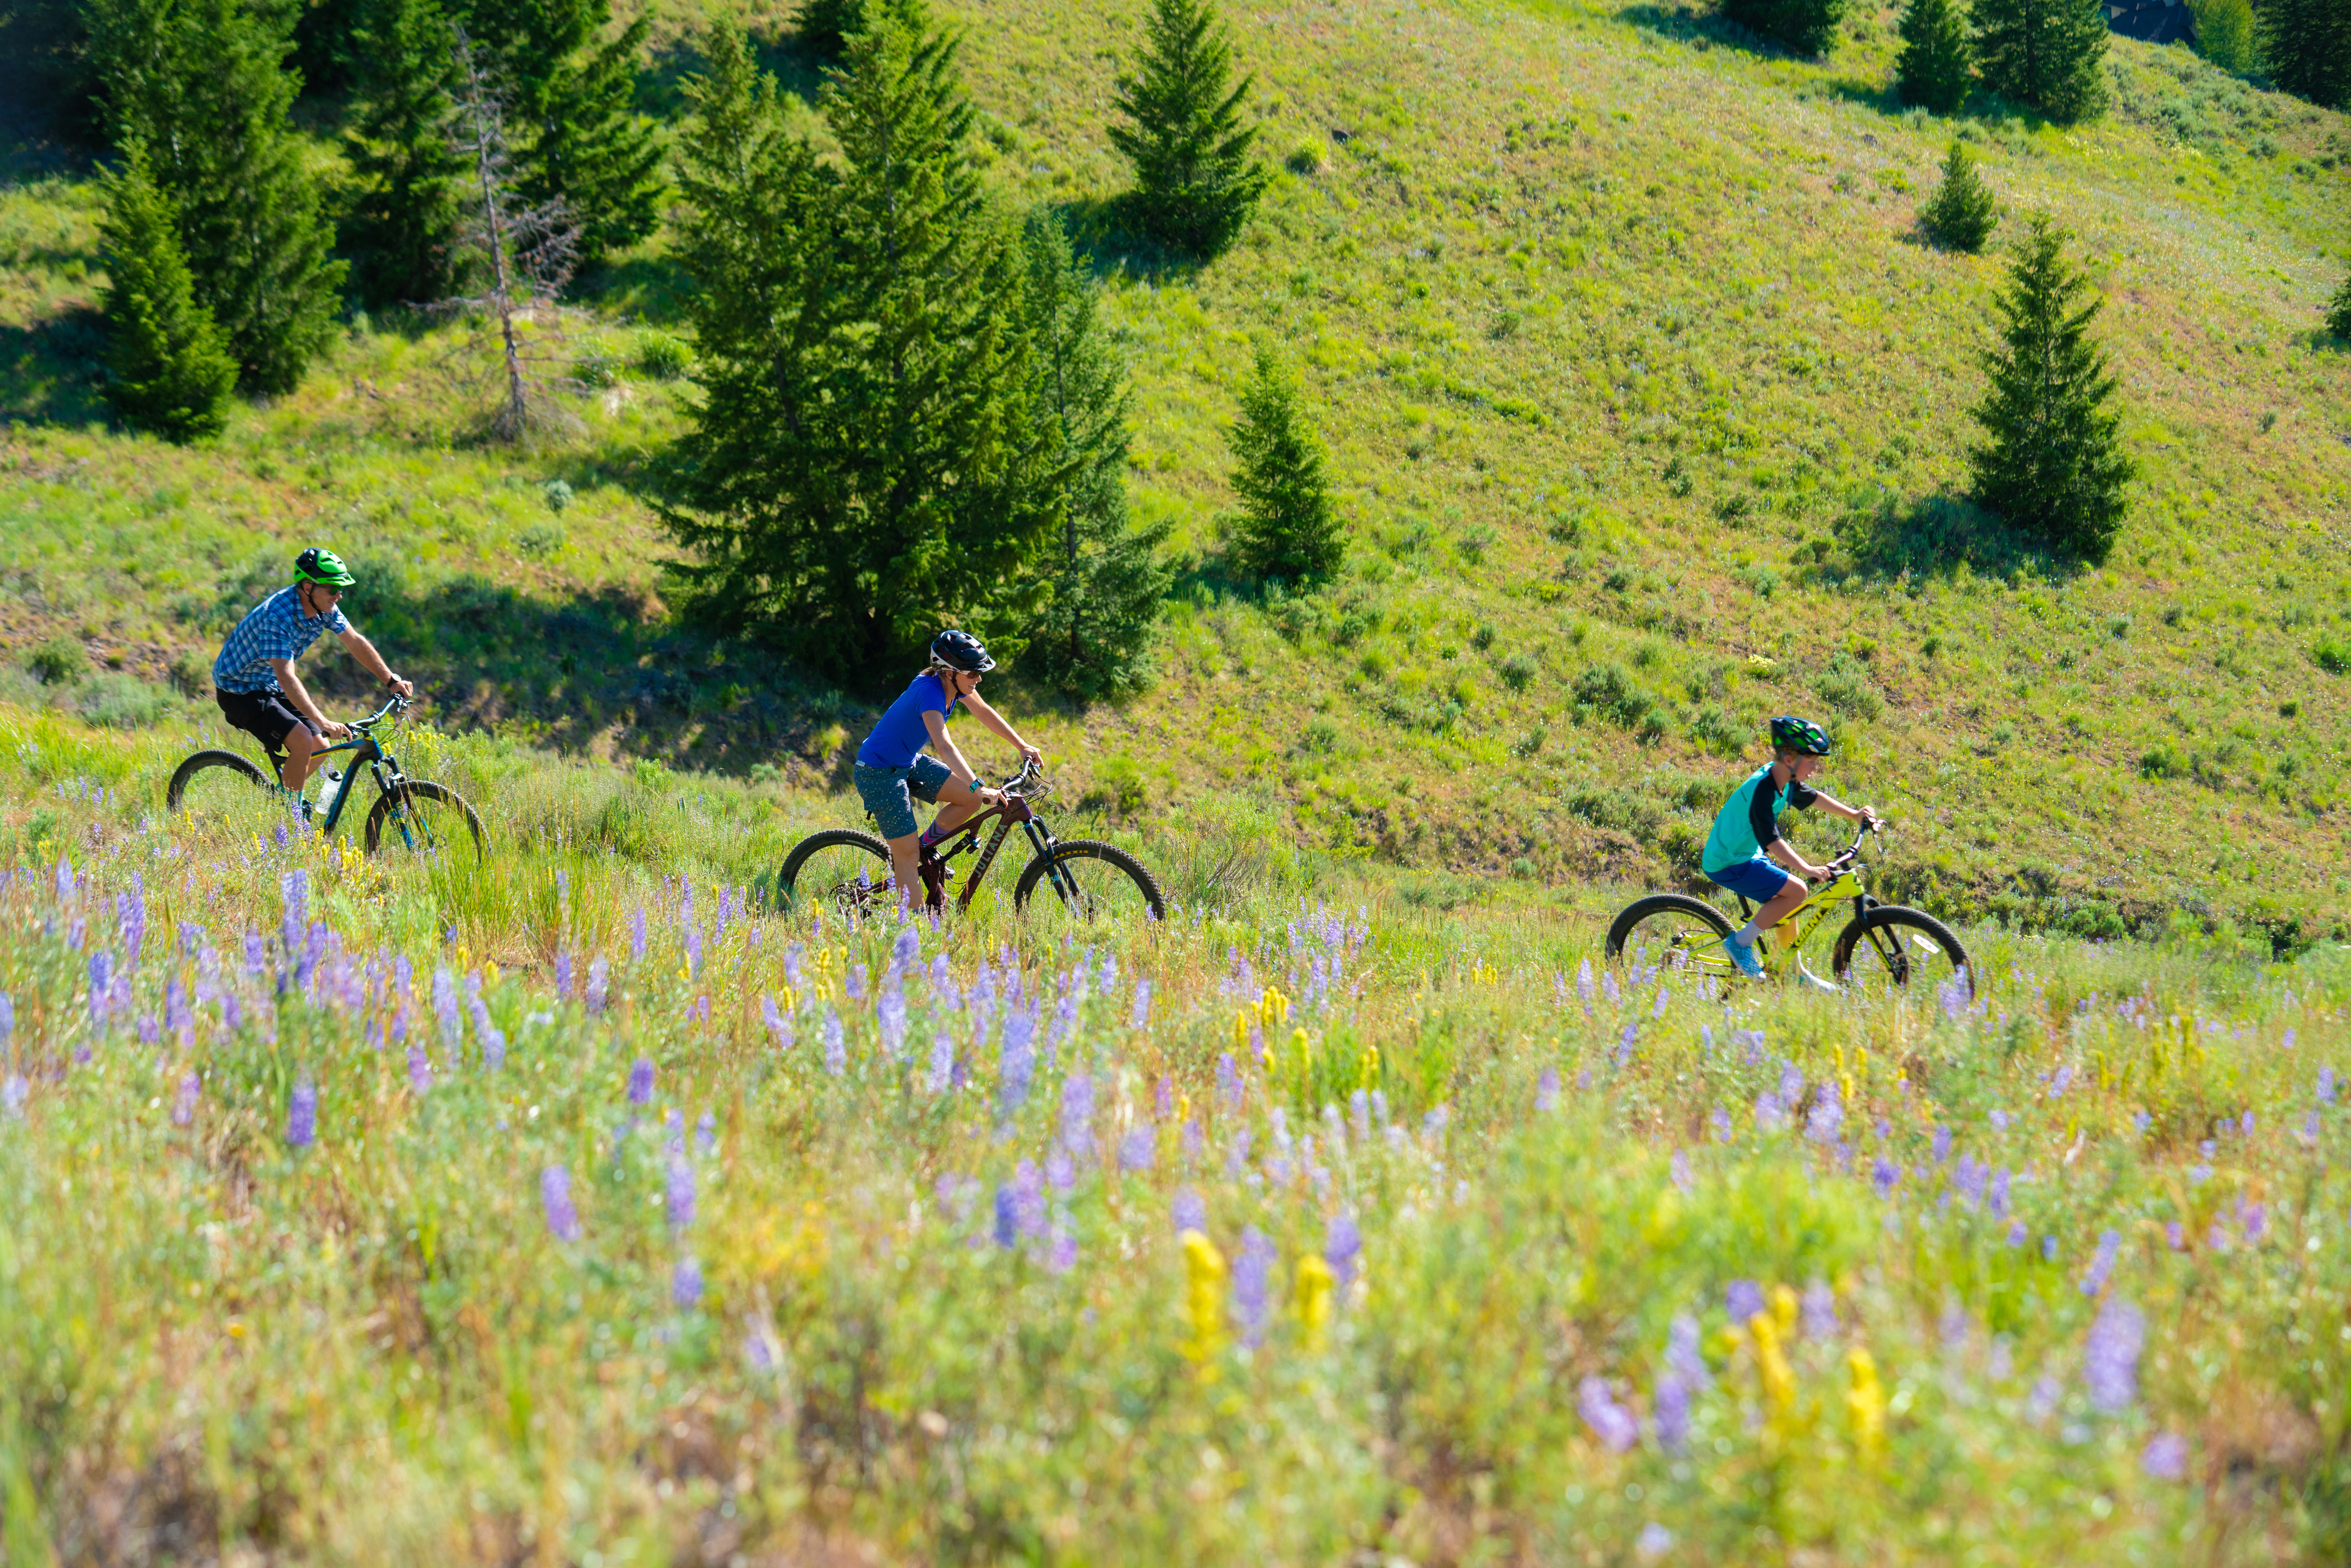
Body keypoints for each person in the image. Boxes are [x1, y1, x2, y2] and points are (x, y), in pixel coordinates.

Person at [211, 548, 414, 815]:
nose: (339, 595)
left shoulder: (325, 608)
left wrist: (391, 680)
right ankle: (288, 820)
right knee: (305, 739)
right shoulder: (277, 616)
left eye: (341, 589)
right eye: (332, 589)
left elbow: (354, 641)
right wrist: (323, 721)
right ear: (308, 587)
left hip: (267, 683)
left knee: (321, 746)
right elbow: (286, 676)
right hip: (238, 689)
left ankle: (281, 803)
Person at [854, 630, 1043, 909]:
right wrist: (980, 786)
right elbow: (945, 746)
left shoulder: (955, 685)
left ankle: (924, 849)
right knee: (905, 856)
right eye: (973, 673)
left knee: (970, 799)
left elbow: (984, 712)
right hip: (877, 771)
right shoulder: (929, 692)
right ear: (949, 672)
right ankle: (914, 931)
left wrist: (1022, 745)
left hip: (906, 762)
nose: (979, 679)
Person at [1701, 715, 1881, 978]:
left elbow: (1813, 798)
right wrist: (1808, 868)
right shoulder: (1762, 790)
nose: (1815, 768)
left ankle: (1793, 973)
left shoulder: (1782, 779)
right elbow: (1772, 841)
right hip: (1727, 862)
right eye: (1812, 761)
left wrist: (1854, 815)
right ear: (1789, 759)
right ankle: (1740, 943)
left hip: (1744, 855)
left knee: (1788, 902)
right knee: (1797, 891)